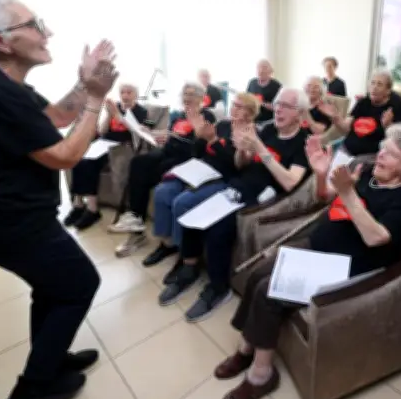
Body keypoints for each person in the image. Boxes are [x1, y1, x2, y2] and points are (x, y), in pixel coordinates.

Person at [0, 0, 117, 399]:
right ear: (0, 41)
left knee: (51, 288)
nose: (48, 33)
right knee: (80, 283)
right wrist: (96, 98)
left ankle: (52, 357)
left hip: (8, 217)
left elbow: (55, 118)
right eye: (34, 26)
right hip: (6, 222)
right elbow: (63, 155)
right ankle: (35, 383)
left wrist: (82, 83)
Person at [211, 125, 401, 399]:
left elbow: (376, 238)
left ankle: (262, 374)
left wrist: (349, 193)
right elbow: (325, 198)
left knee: (269, 290)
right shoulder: (368, 174)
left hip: (346, 268)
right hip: (319, 247)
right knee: (259, 272)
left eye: (390, 153)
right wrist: (320, 174)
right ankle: (247, 348)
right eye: (382, 148)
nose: (380, 155)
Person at [158, 88, 311, 320]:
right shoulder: (267, 129)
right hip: (237, 185)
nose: (279, 109)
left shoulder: (303, 144)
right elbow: (241, 165)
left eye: (286, 106)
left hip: (261, 198)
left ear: (300, 113)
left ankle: (219, 288)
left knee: (219, 229)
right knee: (192, 211)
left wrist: (260, 149)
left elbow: (290, 182)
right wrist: (242, 151)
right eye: (278, 104)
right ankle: (189, 269)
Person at [139, 92, 259, 268]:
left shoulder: (251, 134)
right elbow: (199, 152)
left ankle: (183, 253)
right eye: (233, 104)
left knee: (182, 202)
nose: (234, 108)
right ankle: (167, 243)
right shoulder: (224, 124)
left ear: (250, 112)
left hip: (221, 177)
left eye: (239, 106)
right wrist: (200, 137)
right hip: (200, 169)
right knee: (162, 192)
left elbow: (235, 166)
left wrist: (213, 140)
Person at [109, 82, 216, 255]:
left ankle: (137, 226)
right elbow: (171, 135)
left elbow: (201, 148)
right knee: (138, 162)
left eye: (191, 94)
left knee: (150, 174)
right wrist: (152, 133)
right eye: (185, 94)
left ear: (200, 97)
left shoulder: (207, 116)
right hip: (168, 151)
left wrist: (196, 124)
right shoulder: (178, 114)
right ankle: (136, 219)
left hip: (186, 158)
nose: (187, 97)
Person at [64, 83, 149, 230]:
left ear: (136, 94)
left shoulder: (140, 111)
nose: (125, 95)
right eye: (123, 92)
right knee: (81, 160)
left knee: (89, 164)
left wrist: (118, 115)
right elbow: (103, 131)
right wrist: (109, 116)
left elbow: (138, 134)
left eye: (129, 92)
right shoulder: (115, 107)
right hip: (104, 143)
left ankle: (92, 209)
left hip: (122, 146)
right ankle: (78, 204)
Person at [327, 70, 401, 156]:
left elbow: (400, 141)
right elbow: (345, 128)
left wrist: (388, 126)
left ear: (388, 90)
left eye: (379, 84)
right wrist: (335, 118)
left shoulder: (395, 107)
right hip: (347, 150)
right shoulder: (362, 102)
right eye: (372, 83)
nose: (374, 87)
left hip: (372, 156)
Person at [246, 59, 282, 124]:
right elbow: (246, 100)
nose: (261, 70)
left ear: (270, 71)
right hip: (253, 120)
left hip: (269, 121)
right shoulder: (252, 83)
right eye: (258, 68)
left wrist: (263, 104)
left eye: (264, 68)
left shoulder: (276, 86)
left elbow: (281, 108)